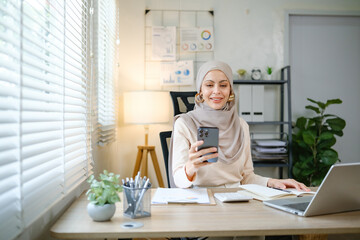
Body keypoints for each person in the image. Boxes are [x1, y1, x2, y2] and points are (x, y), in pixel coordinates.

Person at [169, 60, 310, 191]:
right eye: (209, 85)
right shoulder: (185, 124)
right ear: (200, 90)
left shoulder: (241, 125)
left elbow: (247, 177)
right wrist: (190, 168)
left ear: (230, 90)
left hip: (236, 198)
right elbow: (178, 181)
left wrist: (272, 182)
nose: (217, 91)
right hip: (201, 199)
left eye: (223, 85)